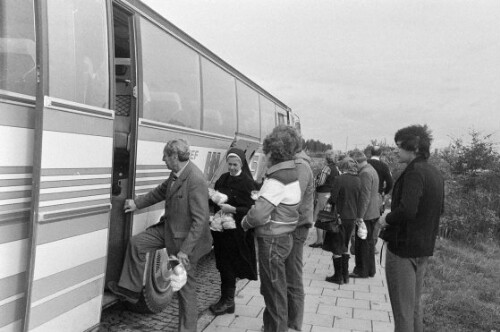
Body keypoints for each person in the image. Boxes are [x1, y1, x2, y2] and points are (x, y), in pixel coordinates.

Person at [107, 139, 212, 332]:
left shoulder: (195, 180)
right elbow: (159, 193)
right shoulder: (176, 173)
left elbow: (201, 221)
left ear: (174, 157)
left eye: (165, 155)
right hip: (169, 229)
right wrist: (136, 203)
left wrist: (184, 252)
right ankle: (130, 290)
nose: (163, 159)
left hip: (184, 242)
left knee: (185, 292)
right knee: (137, 243)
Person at [382, 125, 444, 332]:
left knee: (402, 311)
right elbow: (439, 209)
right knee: (414, 306)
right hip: (423, 247)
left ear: (414, 148)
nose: (396, 151)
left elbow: (408, 210)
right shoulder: (434, 172)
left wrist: (386, 219)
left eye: (399, 146)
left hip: (403, 249)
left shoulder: (414, 172)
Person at [241, 125, 301, 332]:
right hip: (284, 237)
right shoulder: (290, 173)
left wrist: (244, 223)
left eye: (265, 152)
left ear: (272, 153)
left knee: (273, 291)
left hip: (272, 239)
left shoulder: (276, 180)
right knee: (276, 287)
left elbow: (258, 215)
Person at [208, 147, 258, 316]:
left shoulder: (248, 183)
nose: (232, 168)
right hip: (221, 230)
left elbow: (253, 209)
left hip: (237, 233)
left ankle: (228, 301)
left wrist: (234, 209)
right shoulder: (222, 179)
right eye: (229, 164)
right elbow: (215, 199)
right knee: (222, 264)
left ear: (242, 163)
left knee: (230, 265)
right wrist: (214, 199)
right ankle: (226, 300)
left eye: (235, 164)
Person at [286, 128, 315, 331]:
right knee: (287, 275)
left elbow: (293, 199)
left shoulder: (300, 166)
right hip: (292, 225)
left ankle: (294, 324)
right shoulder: (295, 163)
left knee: (293, 276)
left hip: (295, 227)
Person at [323, 157, 361, 285]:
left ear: (342, 167)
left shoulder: (339, 179)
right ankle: (345, 275)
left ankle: (338, 276)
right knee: (345, 244)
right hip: (352, 216)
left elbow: (333, 198)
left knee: (336, 245)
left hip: (338, 216)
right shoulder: (358, 180)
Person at [350, 150, 380, 278]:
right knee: (369, 243)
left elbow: (364, 196)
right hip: (373, 211)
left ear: (356, 162)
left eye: (353, 163)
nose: (353, 166)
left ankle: (361, 270)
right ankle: (370, 269)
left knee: (361, 243)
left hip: (366, 214)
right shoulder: (371, 169)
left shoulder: (365, 173)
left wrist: (359, 216)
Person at [310, 149, 340, 248]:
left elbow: (320, 182)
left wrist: (315, 181)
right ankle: (325, 241)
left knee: (319, 217)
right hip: (331, 194)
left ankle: (319, 241)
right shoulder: (336, 168)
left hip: (323, 194)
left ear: (326, 158)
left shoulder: (326, 168)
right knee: (326, 217)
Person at [367, 145, 394, 247]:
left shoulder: (366, 163)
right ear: (381, 154)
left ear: (370, 153)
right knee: (375, 220)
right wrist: (384, 192)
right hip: (377, 195)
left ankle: (359, 243)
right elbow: (390, 182)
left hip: (363, 194)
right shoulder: (384, 166)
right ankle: (372, 245)